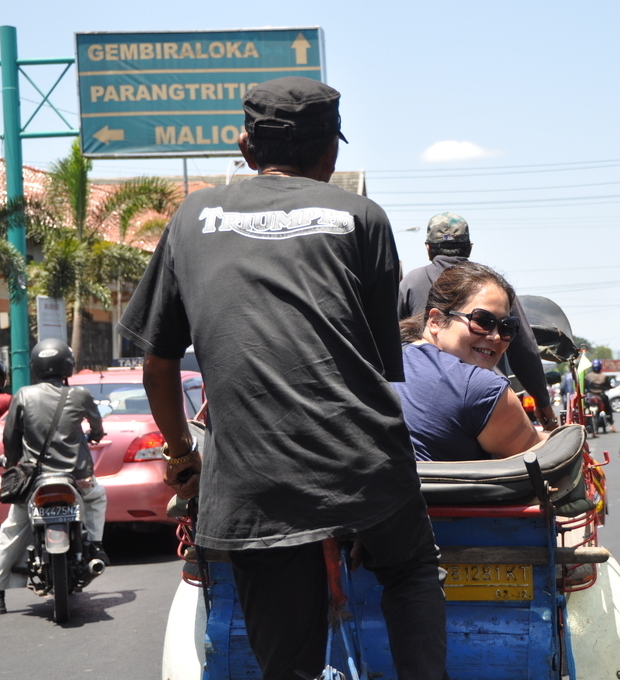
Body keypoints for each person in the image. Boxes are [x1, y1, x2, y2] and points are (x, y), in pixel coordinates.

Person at [117, 77, 447, 680]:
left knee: (288, 665)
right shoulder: (363, 217)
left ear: (246, 147)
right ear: (332, 152)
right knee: (409, 570)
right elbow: (378, 362)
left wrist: (182, 455)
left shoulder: (193, 215)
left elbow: (158, 365)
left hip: (252, 482)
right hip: (365, 467)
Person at [398, 212, 559, 432]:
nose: (494, 336)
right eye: (482, 321)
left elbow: (392, 344)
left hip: (423, 403)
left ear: (429, 248)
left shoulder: (411, 282)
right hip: (487, 405)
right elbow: (525, 349)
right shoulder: (491, 287)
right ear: (469, 248)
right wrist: (542, 402)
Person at [0, 339, 108, 615]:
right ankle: (97, 546)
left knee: (12, 530)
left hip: (35, 482)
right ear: (67, 365)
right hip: (78, 480)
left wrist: (11, 459)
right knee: (97, 497)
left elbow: (11, 436)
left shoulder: (23, 395)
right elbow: (97, 426)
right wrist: (95, 435)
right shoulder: (81, 395)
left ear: (35, 366)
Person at [396, 262, 548, 461]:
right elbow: (544, 455)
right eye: (482, 321)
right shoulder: (483, 389)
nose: (495, 337)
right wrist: (571, 433)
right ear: (436, 321)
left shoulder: (384, 361)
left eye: (506, 327)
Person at [584, 359, 616, 433]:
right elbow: (608, 386)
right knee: (608, 408)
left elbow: (585, 386)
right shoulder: (604, 376)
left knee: (585, 407)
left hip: (590, 396)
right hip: (601, 396)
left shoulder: (588, 376)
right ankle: (611, 424)